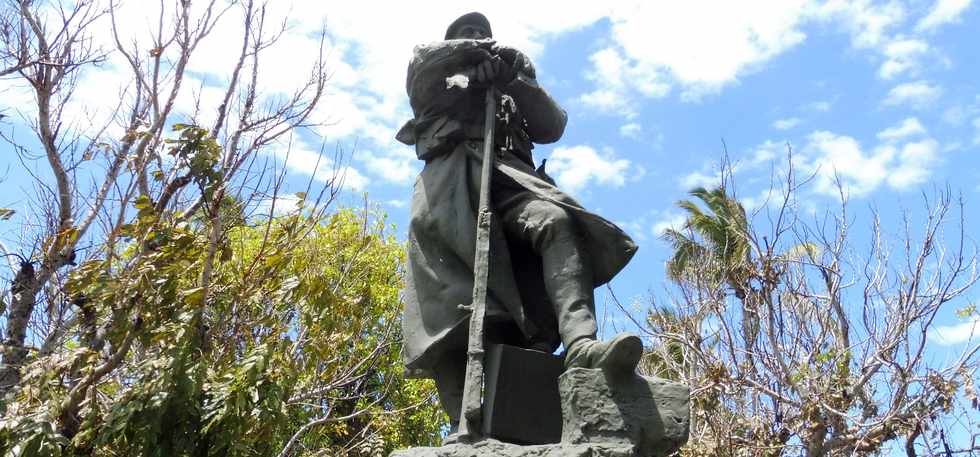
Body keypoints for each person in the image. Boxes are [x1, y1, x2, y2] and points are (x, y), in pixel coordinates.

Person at [397, 12, 641, 440]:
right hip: (453, 193)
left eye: (483, 33)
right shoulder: (440, 79)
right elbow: (422, 66)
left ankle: (581, 344)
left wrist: (515, 77)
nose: (477, 37)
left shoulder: (509, 86)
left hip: (510, 181)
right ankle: (462, 423)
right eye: (466, 34)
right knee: (450, 310)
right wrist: (475, 56)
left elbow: (553, 125)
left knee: (556, 222)